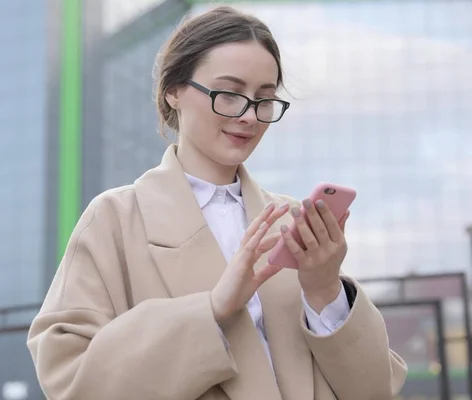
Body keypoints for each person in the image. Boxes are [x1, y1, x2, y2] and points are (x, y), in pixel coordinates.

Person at [27, 6, 407, 400]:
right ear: (173, 90)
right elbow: (70, 379)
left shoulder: (294, 221)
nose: (248, 116)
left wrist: (325, 289)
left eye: (264, 99)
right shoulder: (114, 219)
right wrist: (211, 309)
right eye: (229, 94)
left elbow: (375, 389)